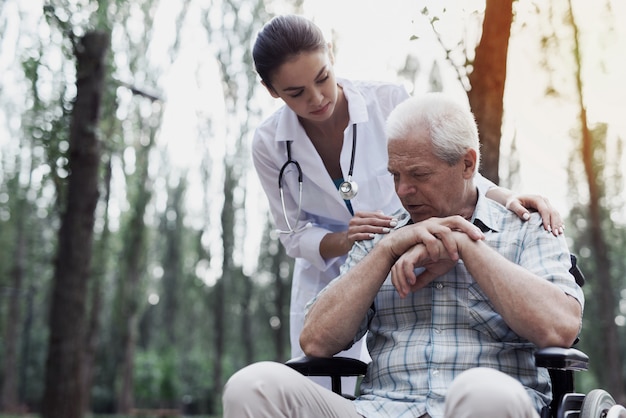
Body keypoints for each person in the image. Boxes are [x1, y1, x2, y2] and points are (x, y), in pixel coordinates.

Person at [250, 14, 565, 392]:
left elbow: (448, 164)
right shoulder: (269, 144)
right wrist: (352, 242)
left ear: (331, 55)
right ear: (272, 91)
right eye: (296, 92)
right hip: (335, 272)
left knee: (403, 364)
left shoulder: (388, 100)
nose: (318, 99)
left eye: (322, 78)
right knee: (322, 382)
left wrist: (506, 196)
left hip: (417, 246)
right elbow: (292, 233)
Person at [223, 93, 584, 418]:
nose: (403, 191)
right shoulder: (380, 237)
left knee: (483, 393)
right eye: (395, 175)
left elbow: (559, 328)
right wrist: (388, 249)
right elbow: (315, 340)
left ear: (467, 165)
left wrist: (464, 243)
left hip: (484, 405)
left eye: (419, 174)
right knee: (253, 385)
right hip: (382, 410)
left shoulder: (527, 227)